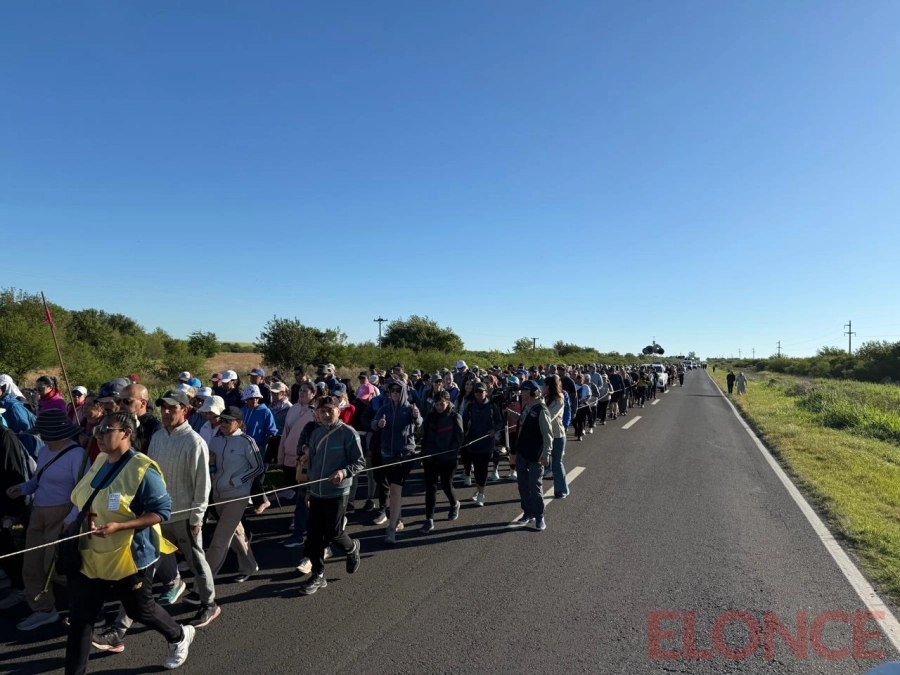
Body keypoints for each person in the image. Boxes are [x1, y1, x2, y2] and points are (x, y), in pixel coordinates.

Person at [63, 411, 195, 674]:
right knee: (81, 618)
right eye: (97, 429)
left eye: (105, 429)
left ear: (125, 433)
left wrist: (120, 526)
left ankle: (179, 635)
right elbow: (86, 499)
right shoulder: (101, 460)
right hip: (94, 552)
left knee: (140, 609)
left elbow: (162, 511)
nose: (98, 435)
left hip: (131, 555)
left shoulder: (142, 468)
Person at [4, 410, 86, 629]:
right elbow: (38, 481)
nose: (42, 437)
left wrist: (71, 518)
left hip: (62, 514)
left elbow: (84, 491)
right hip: (39, 512)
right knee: (31, 564)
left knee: (57, 567)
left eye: (45, 433)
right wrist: (22, 488)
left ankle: (86, 606)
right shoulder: (44, 452)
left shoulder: (76, 454)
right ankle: (44, 609)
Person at [147, 389, 219, 626]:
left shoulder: (194, 441)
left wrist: (197, 517)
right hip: (158, 514)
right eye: (163, 407)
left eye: (172, 407)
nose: (166, 412)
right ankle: (130, 615)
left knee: (196, 561)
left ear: (185, 410)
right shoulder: (157, 437)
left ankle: (209, 603)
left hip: (184, 515)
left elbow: (202, 484)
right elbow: (150, 474)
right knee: (150, 560)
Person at [296, 397, 364, 595]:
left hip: (337, 492)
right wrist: (309, 489)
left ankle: (352, 549)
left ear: (338, 410)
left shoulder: (348, 434)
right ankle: (318, 575)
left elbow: (359, 462)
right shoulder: (316, 434)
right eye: (321, 411)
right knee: (314, 536)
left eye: (329, 410)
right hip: (316, 492)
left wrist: (343, 472)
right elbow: (313, 465)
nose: (325, 415)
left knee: (333, 533)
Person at [206, 407, 263, 582]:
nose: (222, 424)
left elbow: (258, 467)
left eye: (227, 421)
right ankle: (249, 566)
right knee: (236, 534)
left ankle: (202, 582)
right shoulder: (214, 440)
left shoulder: (246, 441)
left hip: (237, 496)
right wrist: (211, 467)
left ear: (238, 423)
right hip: (217, 495)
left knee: (219, 540)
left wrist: (237, 481)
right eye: (221, 420)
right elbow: (213, 467)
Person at [373, 380, 422, 544]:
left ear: (403, 392)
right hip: (387, 455)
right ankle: (398, 519)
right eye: (392, 390)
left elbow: (419, 423)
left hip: (405, 455)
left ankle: (391, 528)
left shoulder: (409, 408)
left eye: (397, 390)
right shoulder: (384, 409)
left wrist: (416, 417)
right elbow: (373, 424)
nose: (394, 393)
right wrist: (378, 424)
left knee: (395, 489)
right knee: (392, 490)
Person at [278, 382, 316, 548]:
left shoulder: (316, 412)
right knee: (293, 487)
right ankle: (303, 517)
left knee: (303, 493)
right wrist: (281, 454)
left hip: (304, 460)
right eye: (300, 390)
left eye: (306, 391)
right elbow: (285, 433)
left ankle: (300, 527)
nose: (302, 393)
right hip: (288, 456)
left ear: (313, 393)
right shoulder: (292, 409)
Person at [511, 380, 552, 531]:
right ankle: (527, 512)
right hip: (522, 452)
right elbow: (522, 421)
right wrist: (509, 412)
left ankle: (539, 515)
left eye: (523, 390)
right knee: (522, 484)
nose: (521, 393)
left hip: (536, 455)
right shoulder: (527, 406)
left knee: (535, 486)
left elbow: (548, 435)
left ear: (530, 392)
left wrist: (546, 455)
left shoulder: (542, 409)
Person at [419, 390, 462, 533]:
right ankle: (429, 520)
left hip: (448, 459)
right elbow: (425, 437)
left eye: (441, 403)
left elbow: (459, 439)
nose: (439, 406)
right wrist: (423, 453)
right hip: (430, 458)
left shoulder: (455, 416)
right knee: (431, 488)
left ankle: (454, 504)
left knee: (446, 485)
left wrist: (451, 451)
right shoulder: (430, 416)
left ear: (448, 402)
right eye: (436, 404)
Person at [461, 381, 503, 506]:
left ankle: (481, 494)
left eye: (481, 391)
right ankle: (479, 489)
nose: (479, 394)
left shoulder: (491, 406)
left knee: (482, 469)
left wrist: (494, 430)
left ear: (486, 392)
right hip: (472, 442)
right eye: (476, 391)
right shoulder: (469, 406)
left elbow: (499, 421)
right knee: (475, 468)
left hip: (486, 443)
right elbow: (463, 422)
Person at [117, 384, 161, 454]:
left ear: (143, 403)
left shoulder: (155, 427)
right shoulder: (117, 422)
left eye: (126, 401)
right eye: (118, 401)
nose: (121, 405)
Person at [544, 376, 569, 499]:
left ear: (550, 386)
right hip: (546, 435)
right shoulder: (545, 398)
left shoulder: (559, 399)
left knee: (557, 464)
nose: (543, 388)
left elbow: (550, 416)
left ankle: (561, 490)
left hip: (558, 435)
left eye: (545, 385)